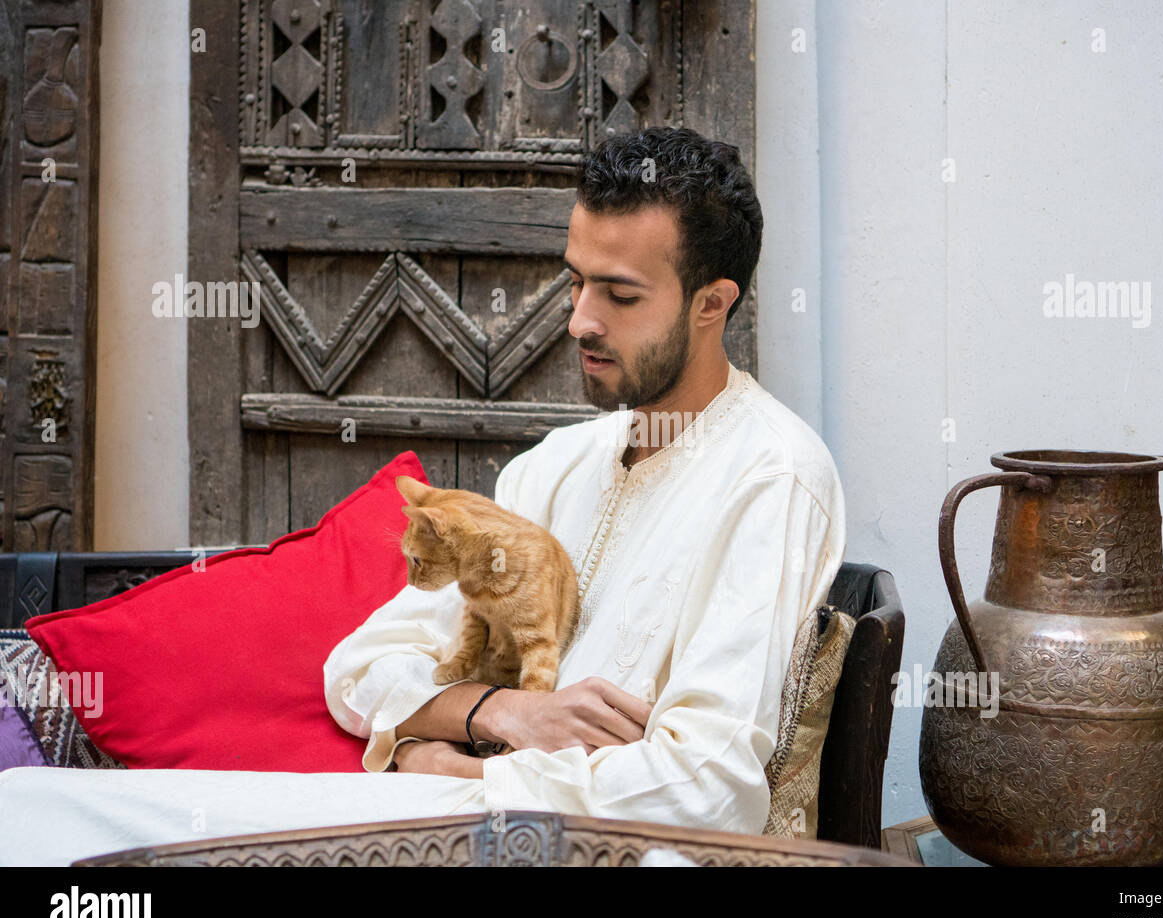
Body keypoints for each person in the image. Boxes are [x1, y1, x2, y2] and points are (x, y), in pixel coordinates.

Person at [0, 126, 845, 866]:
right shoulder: (556, 466)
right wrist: (497, 712)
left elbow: (706, 789)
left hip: (536, 841)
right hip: (433, 812)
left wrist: (453, 768)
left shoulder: (772, 477)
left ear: (712, 304)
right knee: (31, 810)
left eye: (619, 295)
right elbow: (359, 668)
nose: (579, 320)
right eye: (575, 281)